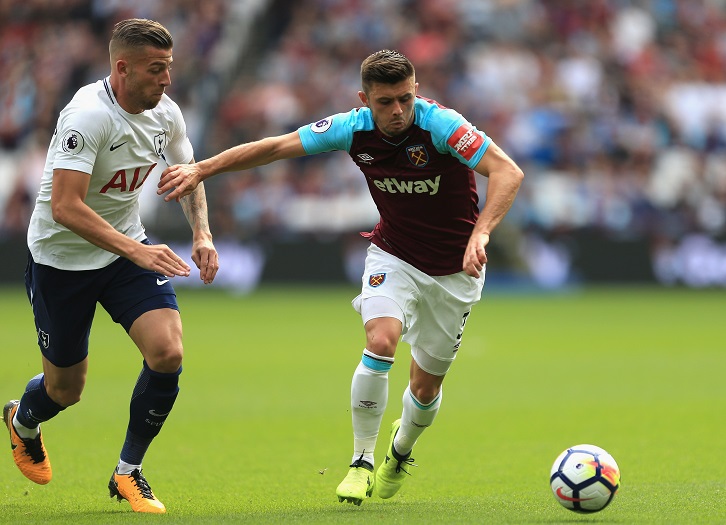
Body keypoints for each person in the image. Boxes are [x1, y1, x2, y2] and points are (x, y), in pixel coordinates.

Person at [158, 49, 523, 505]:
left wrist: (481, 234)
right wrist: (201, 168)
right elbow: (275, 147)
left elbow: (507, 171)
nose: (397, 111)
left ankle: (400, 451)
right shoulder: (352, 128)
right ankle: (361, 462)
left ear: (417, 93)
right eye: (386, 101)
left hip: (455, 272)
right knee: (381, 341)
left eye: (405, 99)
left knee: (425, 388)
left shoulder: (443, 126)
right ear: (364, 99)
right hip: (395, 256)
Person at [2, 18, 219, 514]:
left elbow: (187, 173)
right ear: (122, 68)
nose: (166, 80)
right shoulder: (87, 116)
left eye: (169, 68)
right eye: (155, 70)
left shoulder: (166, 114)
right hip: (62, 260)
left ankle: (128, 473)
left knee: (167, 352)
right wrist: (137, 250)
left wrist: (201, 234)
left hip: (126, 252)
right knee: (65, 390)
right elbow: (65, 206)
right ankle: (22, 421)